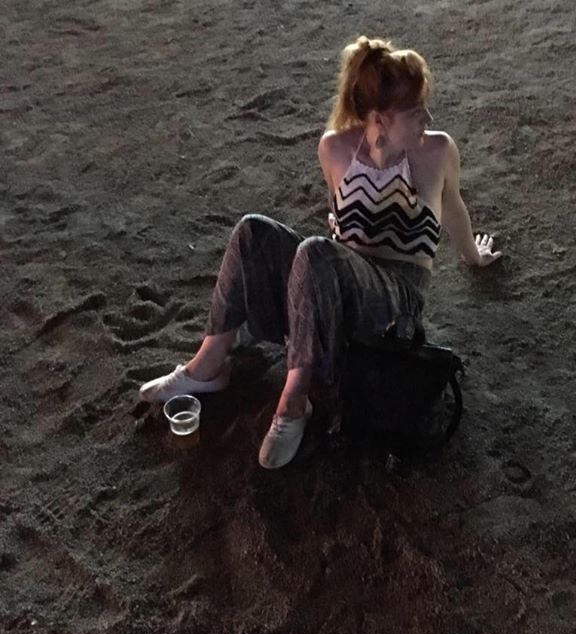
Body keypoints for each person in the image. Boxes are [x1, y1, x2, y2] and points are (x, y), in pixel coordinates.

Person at [139, 35, 502, 469]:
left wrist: (473, 255)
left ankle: (295, 400)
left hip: (395, 303)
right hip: (336, 290)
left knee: (316, 252)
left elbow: (453, 208)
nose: (428, 117)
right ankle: (208, 365)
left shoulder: (437, 151)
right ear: (379, 118)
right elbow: (342, 231)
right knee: (254, 232)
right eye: (415, 110)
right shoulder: (334, 149)